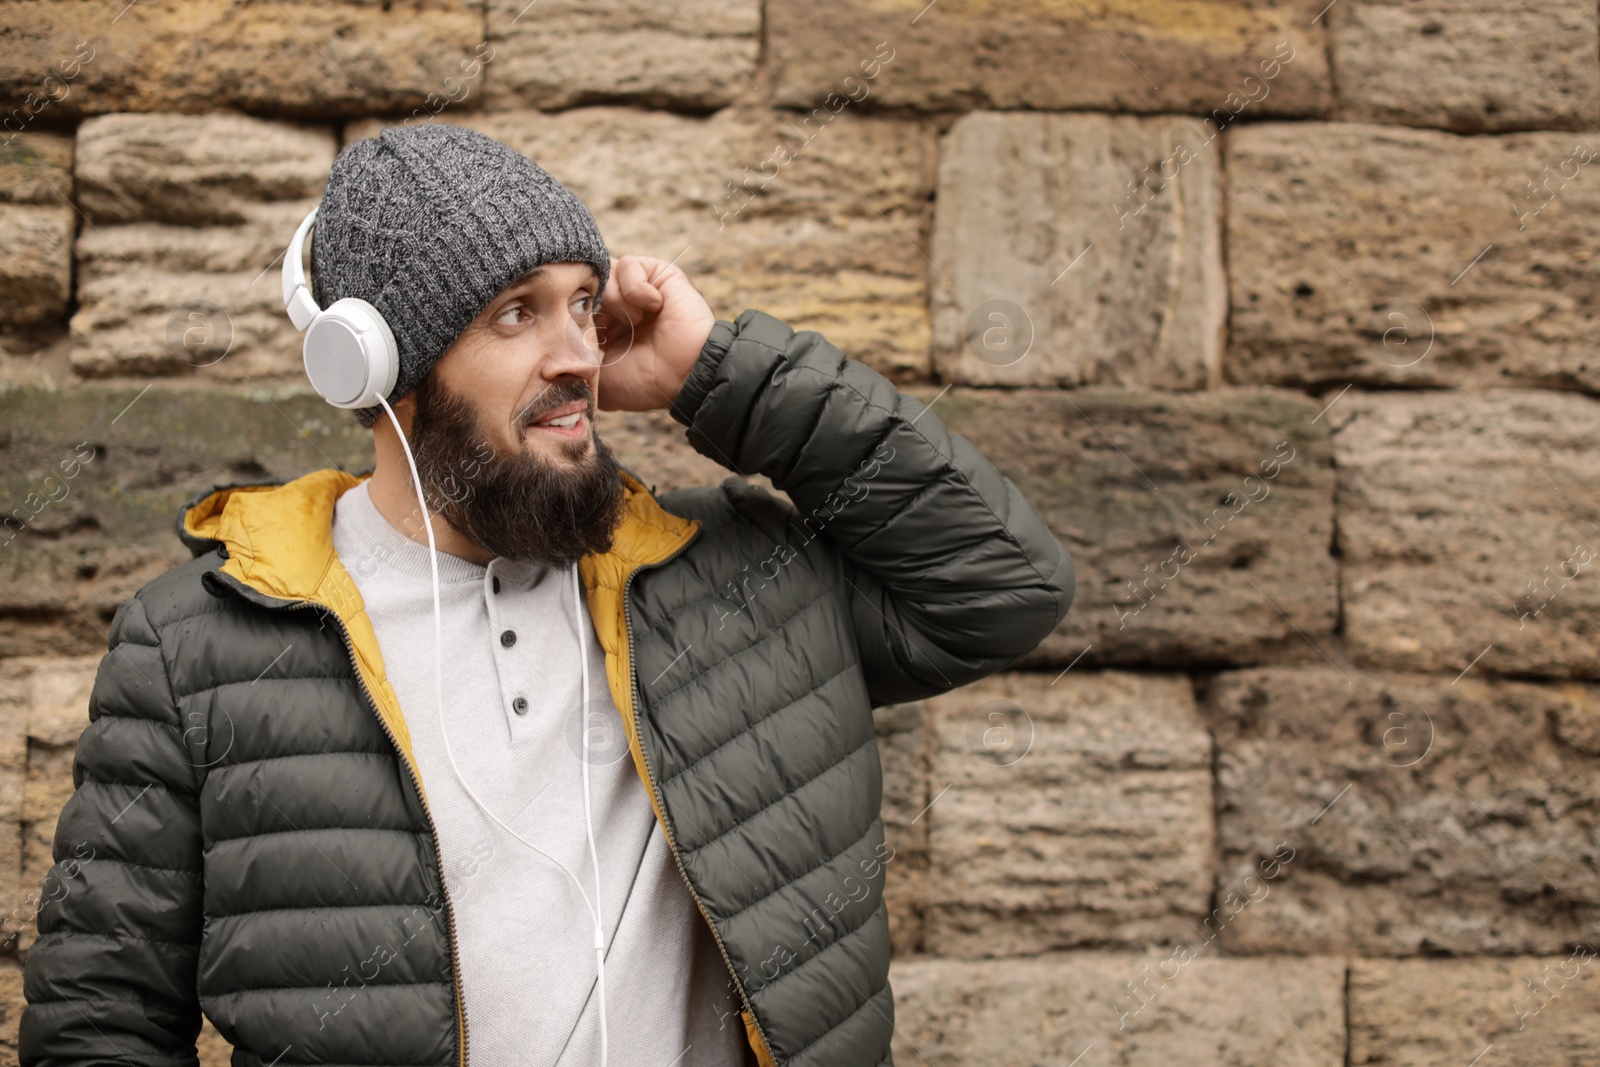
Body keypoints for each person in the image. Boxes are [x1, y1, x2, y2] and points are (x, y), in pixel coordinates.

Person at [19, 123, 1074, 1067]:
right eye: (514, 314)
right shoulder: (198, 641)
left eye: (582, 302)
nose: (578, 356)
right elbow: (99, 1019)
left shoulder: (737, 572)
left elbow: (1005, 584)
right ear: (380, 368)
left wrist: (716, 371)